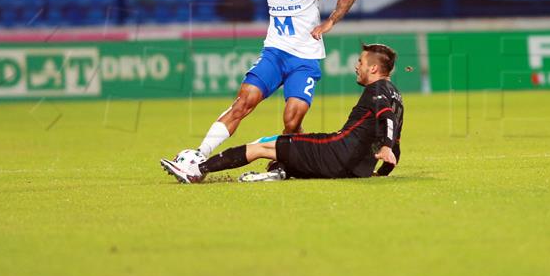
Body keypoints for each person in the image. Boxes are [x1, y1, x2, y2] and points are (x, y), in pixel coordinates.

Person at [164, 0, 357, 164]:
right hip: (274, 54)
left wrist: (330, 22)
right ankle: (200, 154)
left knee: (292, 121)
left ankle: (294, 160)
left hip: (304, 60)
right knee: (243, 102)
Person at [161, 44, 404, 183]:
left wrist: (384, 147)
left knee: (262, 145)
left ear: (373, 68)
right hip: (353, 169)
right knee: (290, 151)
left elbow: (387, 120)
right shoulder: (396, 96)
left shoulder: (378, 89)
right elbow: (397, 142)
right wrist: (381, 171)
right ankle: (279, 173)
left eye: (360, 62)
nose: (356, 66)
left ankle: (197, 169)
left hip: (335, 151)